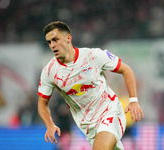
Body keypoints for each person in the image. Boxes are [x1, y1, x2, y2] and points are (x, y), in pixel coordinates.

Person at [38, 21, 144, 150]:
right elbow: (42, 104)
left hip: (110, 112)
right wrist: (49, 125)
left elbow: (126, 70)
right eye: (49, 42)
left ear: (68, 38)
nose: (52, 45)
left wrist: (133, 100)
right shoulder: (49, 72)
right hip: (88, 126)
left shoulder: (93, 56)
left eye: (55, 40)